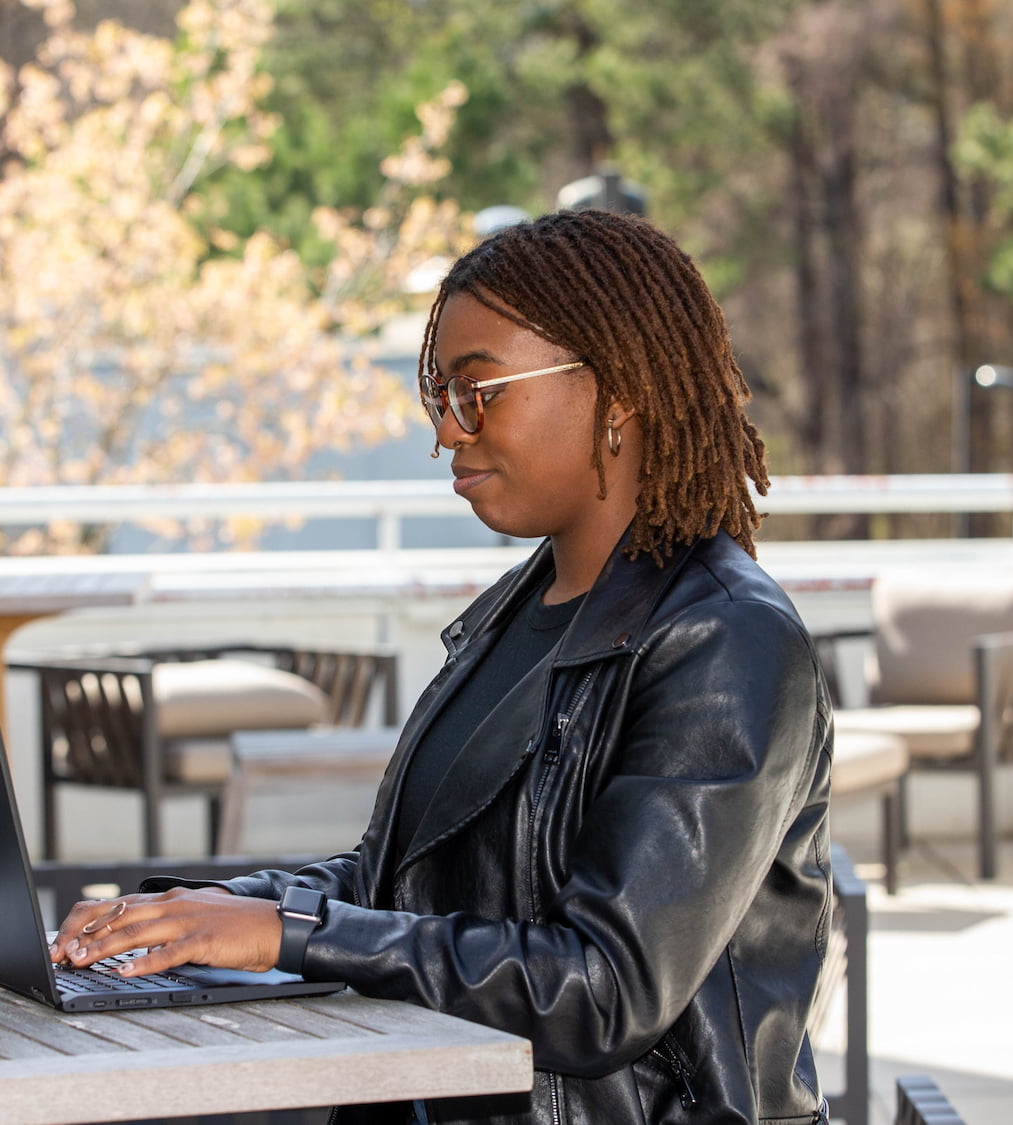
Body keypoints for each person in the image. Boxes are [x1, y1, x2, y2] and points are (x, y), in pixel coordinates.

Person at [52, 210, 834, 1125]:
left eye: (481, 390)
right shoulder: (515, 614)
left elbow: (606, 988)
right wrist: (219, 908)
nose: (449, 433)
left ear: (617, 391)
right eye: (440, 396)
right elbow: (406, 886)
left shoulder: (727, 642)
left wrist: (292, 935)